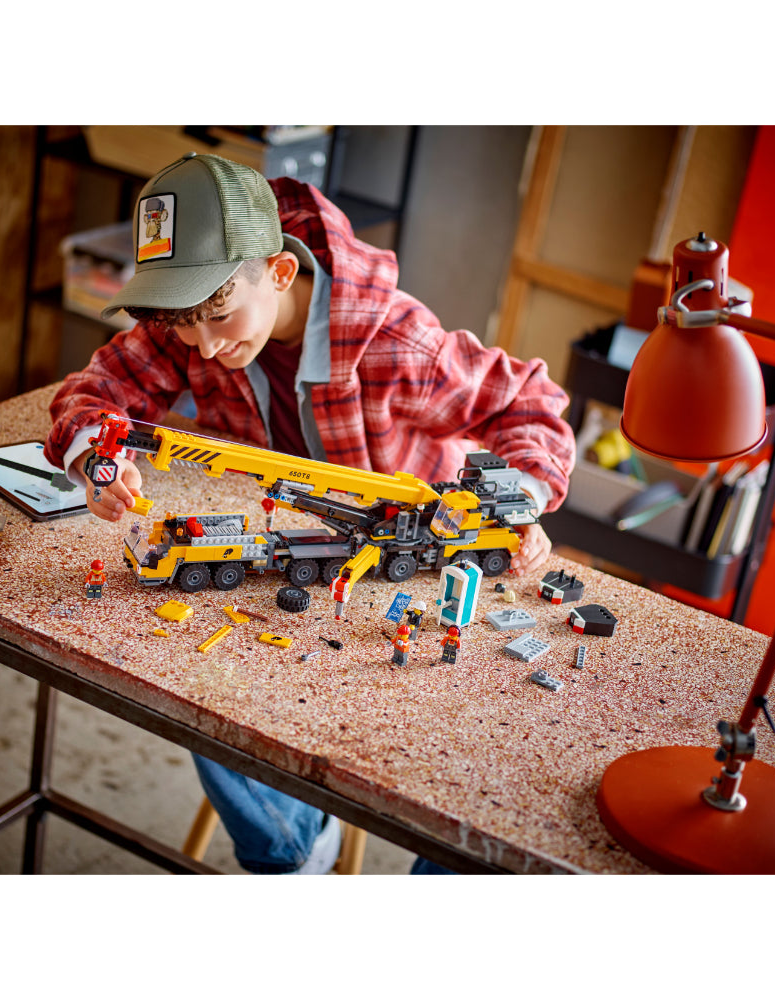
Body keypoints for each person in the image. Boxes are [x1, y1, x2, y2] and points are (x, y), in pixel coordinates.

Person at [44, 151, 576, 874]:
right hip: (293, 565)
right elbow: (94, 390)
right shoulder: (192, 318)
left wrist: (516, 499)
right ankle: (294, 852)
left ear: (279, 271)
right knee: (198, 680)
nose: (205, 346)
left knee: (478, 795)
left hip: (405, 569)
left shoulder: (400, 347)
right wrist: (93, 460)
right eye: (185, 327)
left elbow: (531, 404)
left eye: (219, 318)